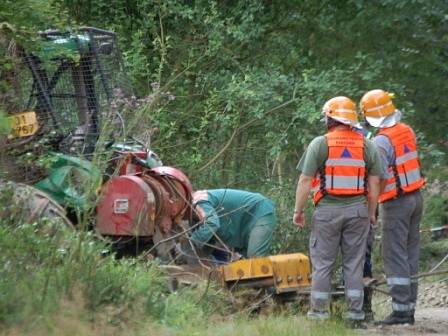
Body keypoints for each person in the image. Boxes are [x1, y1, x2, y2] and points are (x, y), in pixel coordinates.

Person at [293, 96, 382, 323]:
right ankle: (355, 315)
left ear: (330, 118)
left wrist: (298, 211)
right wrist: (371, 212)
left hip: (327, 213)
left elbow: (305, 180)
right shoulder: (367, 145)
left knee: (323, 265)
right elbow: (374, 184)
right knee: (354, 264)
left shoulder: (320, 144)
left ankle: (319, 314)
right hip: (358, 212)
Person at [360, 89, 424, 325]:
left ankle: (400, 312)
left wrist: (371, 208)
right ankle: (410, 307)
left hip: (396, 203)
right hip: (416, 197)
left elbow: (378, 178)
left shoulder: (380, 141)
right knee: (410, 254)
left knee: (394, 254)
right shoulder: (406, 130)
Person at [189, 189, 277, 260]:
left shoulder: (199, 200)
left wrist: (191, 242)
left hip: (260, 211)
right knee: (242, 268)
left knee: (254, 261)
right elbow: (209, 241)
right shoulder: (193, 217)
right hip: (242, 228)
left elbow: (212, 223)